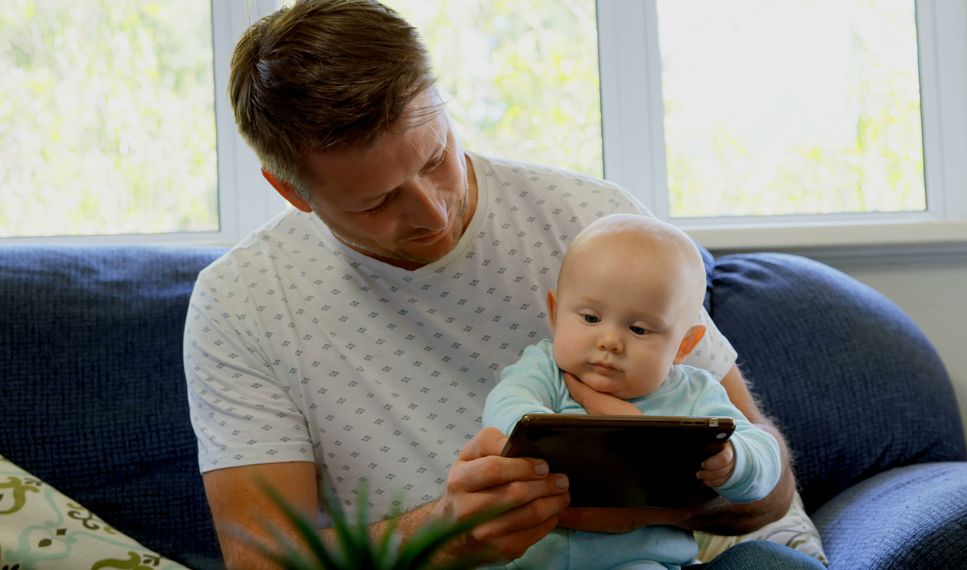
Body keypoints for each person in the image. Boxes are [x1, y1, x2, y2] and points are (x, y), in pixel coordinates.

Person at [184, 0, 810, 567]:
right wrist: (448, 532)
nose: (434, 214)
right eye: (376, 202)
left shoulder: (592, 224)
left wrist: (631, 514)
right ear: (291, 191)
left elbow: (771, 493)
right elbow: (264, 562)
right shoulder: (241, 304)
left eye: (436, 159)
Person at [482, 214, 783, 569]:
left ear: (684, 346)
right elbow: (506, 404)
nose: (610, 342)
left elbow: (764, 453)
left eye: (639, 329)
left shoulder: (694, 394)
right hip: (531, 561)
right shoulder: (545, 369)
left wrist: (734, 460)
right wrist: (546, 435)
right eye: (591, 318)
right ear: (555, 312)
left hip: (639, 561)